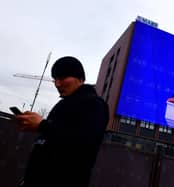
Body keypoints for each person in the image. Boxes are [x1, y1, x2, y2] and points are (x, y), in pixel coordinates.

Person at [16, 56, 109, 187]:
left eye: (62, 78)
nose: (57, 84)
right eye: (55, 79)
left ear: (80, 78)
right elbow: (53, 141)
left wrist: (42, 125)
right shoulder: (62, 104)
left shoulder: (94, 104)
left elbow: (83, 144)